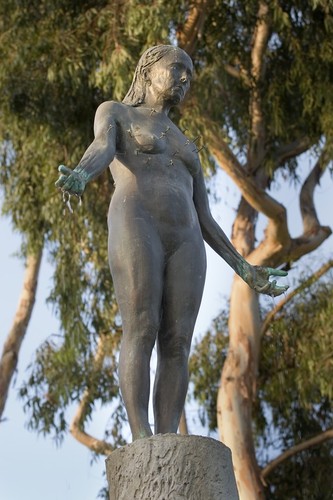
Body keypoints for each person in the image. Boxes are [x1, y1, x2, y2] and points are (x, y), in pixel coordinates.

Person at [55, 45, 288, 441]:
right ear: (148, 69)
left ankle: (166, 439)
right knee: (142, 325)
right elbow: (102, 146)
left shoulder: (187, 144)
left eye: (190, 75)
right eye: (176, 68)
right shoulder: (117, 112)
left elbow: (207, 219)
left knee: (178, 341)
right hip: (136, 220)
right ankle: (142, 438)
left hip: (188, 240)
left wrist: (246, 268)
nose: (184, 78)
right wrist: (81, 173)